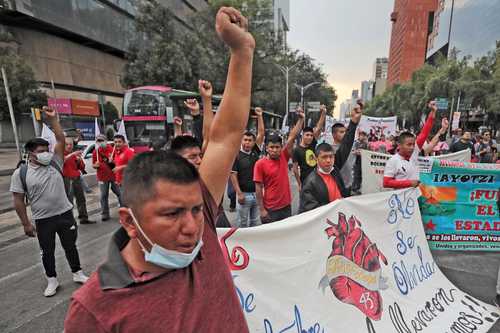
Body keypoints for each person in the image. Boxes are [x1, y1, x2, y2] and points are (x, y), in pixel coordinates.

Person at [64, 6, 255, 332]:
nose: (193, 227)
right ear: (129, 220)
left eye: (196, 210)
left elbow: (225, 137)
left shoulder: (202, 224)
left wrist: (242, 51)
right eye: (171, 214)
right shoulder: (94, 310)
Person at [10, 107, 88, 297]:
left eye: (47, 150)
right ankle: (52, 280)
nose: (46, 153)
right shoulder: (21, 173)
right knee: (48, 251)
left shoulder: (55, 162)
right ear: (30, 153)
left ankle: (77, 273)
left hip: (65, 214)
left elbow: (61, 140)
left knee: (71, 246)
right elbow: (18, 200)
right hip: (43, 219)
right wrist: (26, 224)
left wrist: (53, 121)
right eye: (41, 151)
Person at [299, 105, 362, 212]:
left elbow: (345, 146)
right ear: (316, 158)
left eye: (331, 157)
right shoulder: (310, 184)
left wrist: (353, 123)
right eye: (324, 157)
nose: (328, 160)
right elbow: (310, 214)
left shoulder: (335, 170)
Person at [254, 108, 305, 224]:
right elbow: (258, 189)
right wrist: (261, 210)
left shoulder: (283, 156)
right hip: (270, 209)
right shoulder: (260, 164)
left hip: (286, 207)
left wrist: (301, 119)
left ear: (281, 147)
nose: (274, 150)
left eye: (277, 147)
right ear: (266, 148)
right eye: (271, 147)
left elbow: (292, 136)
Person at [383, 101, 438, 189]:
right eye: (409, 145)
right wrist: (409, 183)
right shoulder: (393, 161)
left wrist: (433, 112)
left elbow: (424, 133)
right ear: (399, 145)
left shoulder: (415, 152)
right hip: (400, 199)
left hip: (416, 197)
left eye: (413, 144)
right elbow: (386, 182)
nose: (412, 147)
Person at [230, 107, 265, 227]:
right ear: (241, 140)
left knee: (255, 222)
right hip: (243, 195)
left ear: (254, 142)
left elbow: (261, 133)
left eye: (250, 140)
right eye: (245, 140)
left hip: (257, 194)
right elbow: (233, 175)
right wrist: (239, 193)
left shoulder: (255, 151)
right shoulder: (236, 155)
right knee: (242, 223)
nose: (247, 142)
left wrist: (260, 116)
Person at [331, 101, 364, 196]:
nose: (344, 134)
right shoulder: (329, 151)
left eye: (345, 131)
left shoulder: (351, 147)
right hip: (335, 187)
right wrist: (353, 123)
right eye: (341, 132)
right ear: (334, 134)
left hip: (348, 186)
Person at [292, 105, 327, 191]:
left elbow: (318, 127)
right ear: (302, 136)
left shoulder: (312, 144)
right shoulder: (296, 150)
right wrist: (299, 184)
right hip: (305, 182)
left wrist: (323, 113)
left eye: (311, 135)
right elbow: (295, 169)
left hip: (316, 180)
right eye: (307, 135)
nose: (310, 137)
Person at [63, 138, 94, 224]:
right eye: (67, 144)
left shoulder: (74, 155)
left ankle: (83, 217)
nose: (69, 146)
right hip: (67, 179)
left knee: (81, 199)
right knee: (69, 201)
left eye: (71, 144)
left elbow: (82, 167)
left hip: (76, 178)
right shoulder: (61, 154)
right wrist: (73, 154)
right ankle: (69, 221)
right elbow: (62, 161)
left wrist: (80, 161)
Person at [92, 134, 122, 221]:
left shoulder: (112, 149)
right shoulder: (95, 152)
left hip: (113, 176)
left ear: (106, 140)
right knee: (103, 195)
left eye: (102, 140)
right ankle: (105, 214)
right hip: (102, 177)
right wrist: (95, 165)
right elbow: (93, 164)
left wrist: (113, 161)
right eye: (98, 141)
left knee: (119, 193)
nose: (100, 143)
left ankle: (124, 211)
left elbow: (118, 161)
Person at [352, 130, 368, 194]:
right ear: (359, 136)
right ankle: (353, 188)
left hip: (363, 161)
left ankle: (358, 188)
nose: (363, 137)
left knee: (361, 175)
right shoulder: (356, 143)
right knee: (356, 175)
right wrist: (359, 152)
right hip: (357, 161)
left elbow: (368, 152)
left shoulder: (365, 144)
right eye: (362, 135)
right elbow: (353, 152)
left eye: (364, 135)